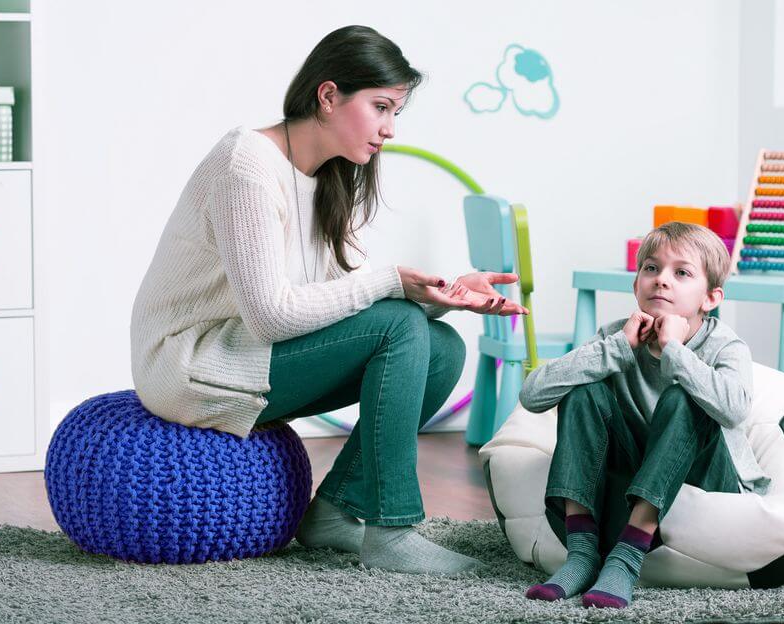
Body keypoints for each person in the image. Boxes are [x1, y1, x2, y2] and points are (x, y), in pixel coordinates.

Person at [130, 25, 527, 576]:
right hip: (189, 363)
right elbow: (271, 314)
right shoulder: (246, 164)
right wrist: (391, 283)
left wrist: (445, 296)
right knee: (398, 326)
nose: (390, 129)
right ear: (328, 95)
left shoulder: (328, 175)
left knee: (439, 347)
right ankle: (393, 531)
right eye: (381, 107)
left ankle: (337, 511)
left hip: (247, 352)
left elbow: (349, 293)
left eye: (397, 113)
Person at [519, 222, 769, 608]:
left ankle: (627, 556)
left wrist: (675, 351)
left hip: (709, 482)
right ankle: (582, 552)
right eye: (651, 269)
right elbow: (532, 395)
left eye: (681, 273)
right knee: (584, 388)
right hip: (637, 476)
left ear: (710, 297)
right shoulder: (617, 336)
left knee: (684, 397)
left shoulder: (724, 344)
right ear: (636, 284)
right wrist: (616, 349)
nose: (661, 281)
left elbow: (734, 410)